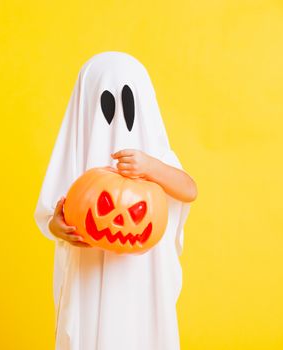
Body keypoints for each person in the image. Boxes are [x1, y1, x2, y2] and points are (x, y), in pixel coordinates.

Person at [34, 51, 197, 350]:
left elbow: (189, 190)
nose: (118, 115)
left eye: (128, 100)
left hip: (143, 276)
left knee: (140, 334)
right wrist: (56, 227)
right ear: (85, 107)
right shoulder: (74, 159)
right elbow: (48, 213)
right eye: (105, 103)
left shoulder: (156, 157)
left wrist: (151, 168)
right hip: (89, 271)